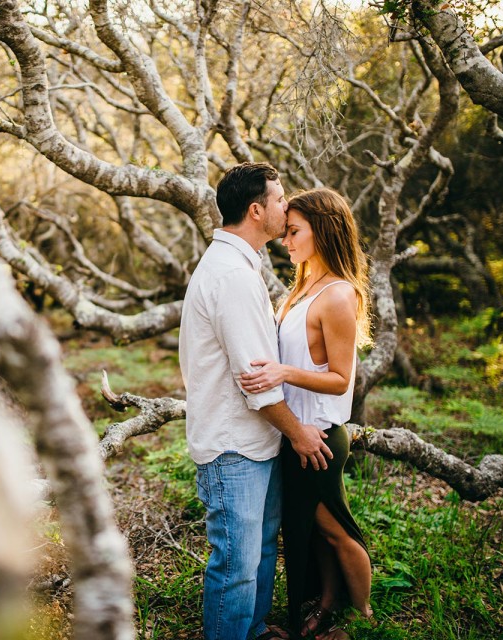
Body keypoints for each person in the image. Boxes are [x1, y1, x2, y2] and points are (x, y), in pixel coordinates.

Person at [179, 163, 333, 640]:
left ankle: (255, 629)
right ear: (256, 209)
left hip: (256, 442)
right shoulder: (231, 276)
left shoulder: (243, 265)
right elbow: (255, 381)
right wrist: (299, 432)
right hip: (234, 448)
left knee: (262, 548)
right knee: (237, 565)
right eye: (280, 198)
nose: (286, 207)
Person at [240, 188, 373, 640]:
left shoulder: (337, 295)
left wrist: (284, 373)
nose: (286, 239)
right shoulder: (301, 288)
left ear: (324, 230)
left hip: (320, 436)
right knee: (312, 532)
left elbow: (341, 379)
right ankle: (329, 601)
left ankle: (364, 614)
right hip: (297, 434)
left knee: (334, 530)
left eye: (294, 231)